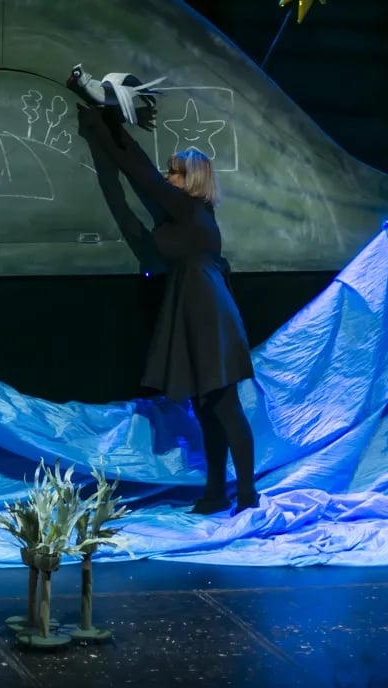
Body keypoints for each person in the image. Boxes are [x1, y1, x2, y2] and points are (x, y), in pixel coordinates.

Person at [77, 104, 260, 515]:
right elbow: (131, 201)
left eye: (174, 172)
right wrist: (103, 137)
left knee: (224, 405)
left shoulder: (189, 208)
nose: (167, 177)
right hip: (192, 304)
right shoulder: (183, 217)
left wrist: (106, 125)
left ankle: (248, 494)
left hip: (206, 309)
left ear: (191, 179)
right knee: (206, 407)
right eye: (169, 171)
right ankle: (216, 492)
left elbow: (139, 171)